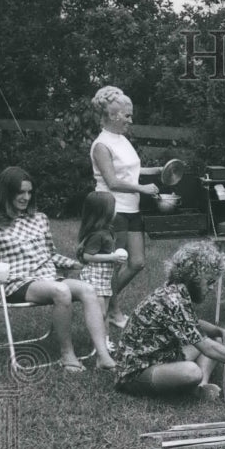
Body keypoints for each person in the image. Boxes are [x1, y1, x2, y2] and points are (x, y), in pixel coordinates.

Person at [0, 166, 117, 372]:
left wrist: (76, 264)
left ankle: (103, 356)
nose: (26, 197)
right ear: (6, 192)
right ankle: (67, 355)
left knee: (88, 289)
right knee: (61, 290)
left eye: (29, 192)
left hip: (48, 278)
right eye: (20, 192)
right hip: (17, 283)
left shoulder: (39, 219)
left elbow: (50, 255)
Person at [114, 240, 225, 398]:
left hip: (160, 357)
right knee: (191, 371)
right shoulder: (172, 299)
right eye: (209, 281)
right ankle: (196, 383)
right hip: (134, 373)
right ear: (192, 276)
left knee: (216, 338)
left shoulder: (176, 290)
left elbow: (192, 322)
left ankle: (201, 387)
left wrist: (221, 331)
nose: (211, 287)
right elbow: (208, 349)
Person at [89, 85, 162, 330]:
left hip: (131, 208)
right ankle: (113, 310)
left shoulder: (122, 140)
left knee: (137, 262)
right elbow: (112, 181)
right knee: (115, 263)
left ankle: (100, 300)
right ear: (112, 116)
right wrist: (142, 189)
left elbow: (130, 170)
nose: (131, 120)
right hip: (112, 208)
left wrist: (156, 172)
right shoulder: (101, 145)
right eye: (127, 116)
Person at [76, 191, 129, 343]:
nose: (116, 211)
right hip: (95, 277)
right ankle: (100, 343)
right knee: (100, 313)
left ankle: (105, 340)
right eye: (113, 208)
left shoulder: (107, 231)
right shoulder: (97, 234)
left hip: (104, 278)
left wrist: (114, 260)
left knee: (104, 312)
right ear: (103, 213)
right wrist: (112, 257)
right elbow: (88, 256)